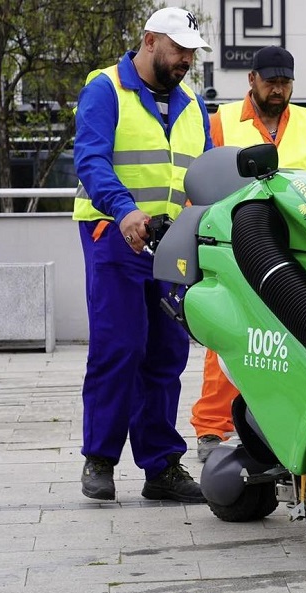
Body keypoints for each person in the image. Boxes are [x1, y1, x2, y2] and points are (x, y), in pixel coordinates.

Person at [73, 7, 213, 502]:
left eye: (192, 55)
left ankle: (161, 467)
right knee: (120, 346)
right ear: (151, 41)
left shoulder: (192, 102)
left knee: (167, 354)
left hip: (172, 240)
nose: (185, 62)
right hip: (114, 234)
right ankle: (100, 459)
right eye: (178, 51)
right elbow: (90, 158)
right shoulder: (105, 88)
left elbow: (207, 171)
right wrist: (124, 209)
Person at [192, 45, 306, 462]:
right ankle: (211, 429)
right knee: (226, 334)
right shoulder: (220, 124)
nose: (278, 90)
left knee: (292, 340)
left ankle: (281, 422)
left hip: (296, 252)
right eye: (270, 81)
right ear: (251, 80)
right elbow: (198, 185)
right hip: (233, 246)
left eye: (285, 82)